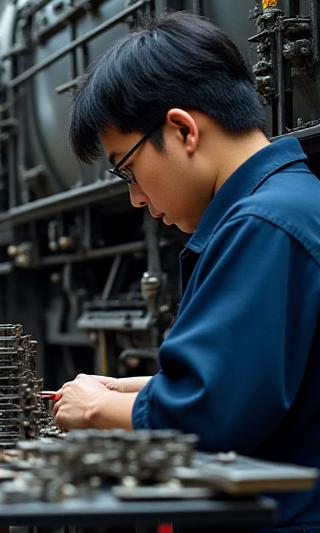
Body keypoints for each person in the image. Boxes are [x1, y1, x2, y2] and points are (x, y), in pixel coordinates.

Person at [58, 11, 320, 529]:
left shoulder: (264, 224)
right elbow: (265, 383)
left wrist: (97, 409)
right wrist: (133, 388)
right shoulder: (290, 205)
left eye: (128, 169)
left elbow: (210, 416)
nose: (135, 197)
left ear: (182, 129)